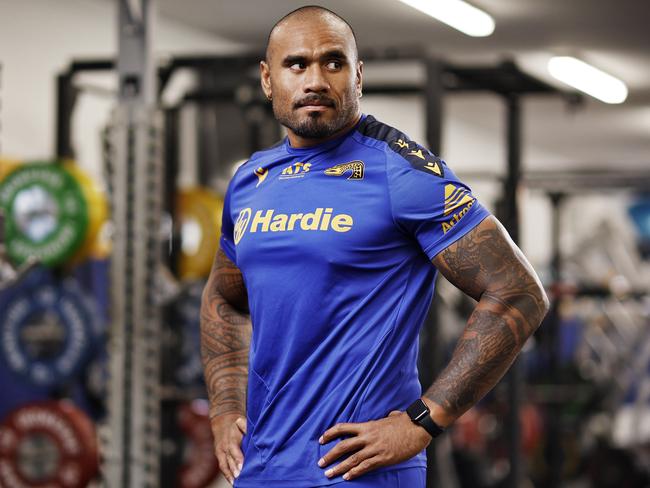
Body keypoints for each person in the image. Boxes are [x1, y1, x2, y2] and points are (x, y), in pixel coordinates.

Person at [200, 5, 549, 487]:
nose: (316, 79)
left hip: (362, 470)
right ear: (267, 79)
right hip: (262, 468)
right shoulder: (249, 181)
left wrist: (424, 421)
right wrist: (223, 410)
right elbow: (223, 298)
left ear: (358, 76)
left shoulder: (400, 172)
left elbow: (519, 291)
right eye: (297, 64)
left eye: (333, 62)